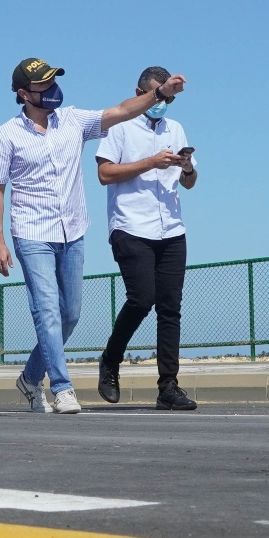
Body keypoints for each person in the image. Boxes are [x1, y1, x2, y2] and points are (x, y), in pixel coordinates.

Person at [0, 58, 187, 414]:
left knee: (70, 314)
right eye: (43, 85)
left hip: (72, 230)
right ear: (23, 93)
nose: (51, 89)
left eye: (53, 81)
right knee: (46, 311)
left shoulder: (74, 121)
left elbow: (123, 110)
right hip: (32, 232)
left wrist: (160, 92)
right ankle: (62, 387)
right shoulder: (6, 135)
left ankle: (30, 378)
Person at [94, 66, 199, 411]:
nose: (163, 103)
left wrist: (185, 167)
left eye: (168, 97)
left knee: (170, 308)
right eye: (158, 94)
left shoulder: (176, 128)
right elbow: (105, 173)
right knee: (142, 299)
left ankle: (168, 386)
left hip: (171, 229)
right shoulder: (120, 125)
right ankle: (110, 359)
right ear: (140, 93)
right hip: (130, 227)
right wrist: (150, 162)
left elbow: (189, 182)